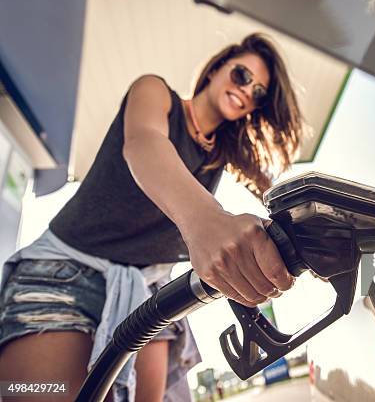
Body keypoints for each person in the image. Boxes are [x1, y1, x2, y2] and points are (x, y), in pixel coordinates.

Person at [0, 33, 302, 401]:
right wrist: (206, 220)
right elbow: (144, 142)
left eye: (257, 92)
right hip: (68, 265)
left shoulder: (222, 153)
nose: (246, 91)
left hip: (145, 288)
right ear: (217, 68)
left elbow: (271, 194)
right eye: (242, 75)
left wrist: (312, 224)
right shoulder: (156, 93)